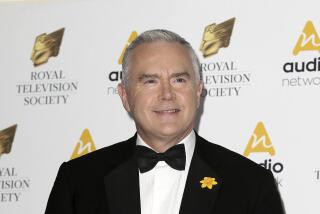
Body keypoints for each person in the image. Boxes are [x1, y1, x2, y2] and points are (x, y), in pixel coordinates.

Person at [45, 29, 284, 214]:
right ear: (125, 96)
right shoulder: (78, 180)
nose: (167, 94)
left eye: (179, 80)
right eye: (150, 81)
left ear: (198, 91)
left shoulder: (250, 183)